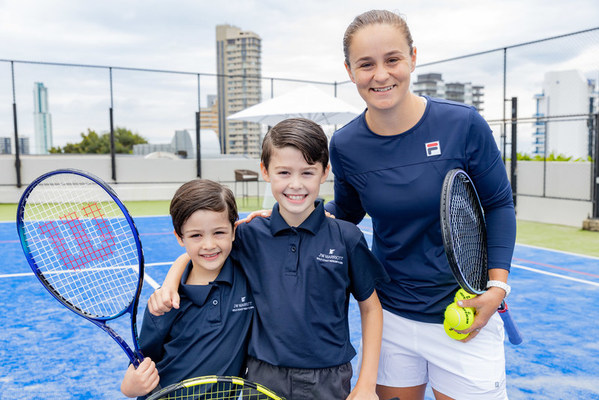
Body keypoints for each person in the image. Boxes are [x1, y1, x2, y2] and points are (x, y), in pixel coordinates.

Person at [325, 9, 517, 400]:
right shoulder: (346, 145)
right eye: (366, 64)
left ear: (413, 57)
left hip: (467, 315)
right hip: (391, 318)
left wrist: (497, 287)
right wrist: (282, 217)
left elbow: (498, 204)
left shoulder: (462, 124)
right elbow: (345, 212)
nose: (381, 75)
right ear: (349, 70)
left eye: (392, 59)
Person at [149, 118, 389, 400]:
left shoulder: (346, 237)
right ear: (265, 171)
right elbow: (200, 253)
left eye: (308, 172)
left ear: (325, 172)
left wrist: (366, 385)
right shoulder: (249, 235)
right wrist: (169, 283)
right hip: (262, 377)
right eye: (284, 172)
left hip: (329, 379)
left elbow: (371, 309)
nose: (296, 184)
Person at [120, 179, 254, 398]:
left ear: (233, 230)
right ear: (179, 237)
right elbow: (141, 363)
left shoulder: (247, 274)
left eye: (219, 232)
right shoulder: (163, 303)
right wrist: (129, 386)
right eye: (196, 235)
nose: (209, 244)